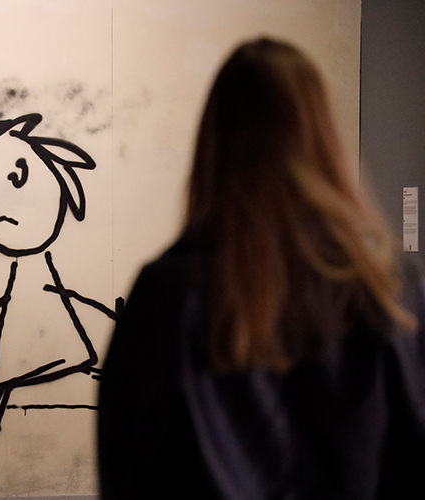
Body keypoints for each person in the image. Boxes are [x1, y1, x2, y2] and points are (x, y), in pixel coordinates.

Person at [97, 37, 425, 499]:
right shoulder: (385, 289)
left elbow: (126, 472)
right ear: (324, 141)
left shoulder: (168, 295)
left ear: (214, 147)